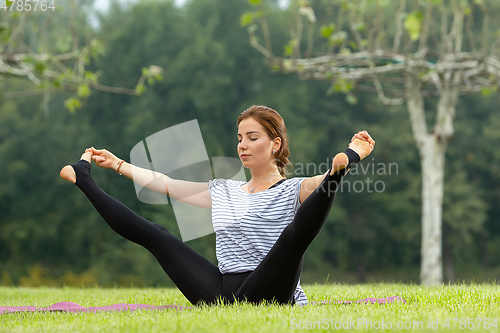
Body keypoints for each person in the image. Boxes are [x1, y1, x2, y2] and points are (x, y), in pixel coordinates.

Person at [60, 105, 375, 306]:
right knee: (156, 234)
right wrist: (118, 164)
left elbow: (317, 184)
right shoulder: (225, 190)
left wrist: (338, 167)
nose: (242, 145)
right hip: (222, 290)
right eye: (239, 138)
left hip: (271, 287)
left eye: (252, 138)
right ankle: (83, 177)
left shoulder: (293, 188)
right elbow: (166, 184)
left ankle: (343, 167)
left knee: (293, 238)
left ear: (275, 143)